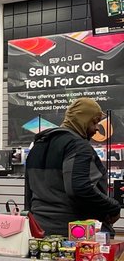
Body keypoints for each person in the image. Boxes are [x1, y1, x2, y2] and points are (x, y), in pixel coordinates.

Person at [24, 97, 120, 236]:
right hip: (75, 232)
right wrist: (113, 207)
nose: (97, 128)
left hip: (39, 231)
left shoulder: (38, 146)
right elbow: (79, 188)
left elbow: (29, 193)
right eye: (94, 122)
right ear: (83, 120)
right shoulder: (77, 146)